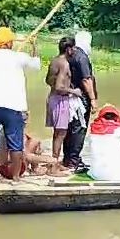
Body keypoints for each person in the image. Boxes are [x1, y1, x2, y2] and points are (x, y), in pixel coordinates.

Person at [0, 27, 40, 183]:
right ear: (8, 43)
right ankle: (16, 178)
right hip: (13, 106)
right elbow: (36, 66)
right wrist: (34, 46)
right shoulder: (19, 57)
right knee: (15, 144)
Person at [45, 37, 82, 169]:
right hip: (60, 100)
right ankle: (54, 166)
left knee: (57, 133)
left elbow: (48, 81)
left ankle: (54, 162)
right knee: (61, 134)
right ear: (68, 49)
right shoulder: (65, 64)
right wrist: (74, 91)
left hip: (52, 99)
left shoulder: (54, 61)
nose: (75, 50)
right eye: (73, 48)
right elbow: (60, 87)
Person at [64, 31, 97, 170]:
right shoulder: (82, 57)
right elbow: (86, 79)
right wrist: (93, 99)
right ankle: (74, 160)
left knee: (70, 128)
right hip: (81, 99)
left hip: (69, 97)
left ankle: (68, 158)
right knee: (79, 128)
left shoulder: (70, 55)